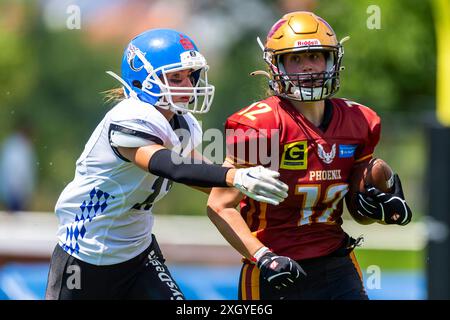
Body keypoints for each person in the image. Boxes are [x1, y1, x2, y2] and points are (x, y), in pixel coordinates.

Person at [45, 28, 289, 300]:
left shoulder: (182, 123)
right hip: (83, 256)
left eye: (190, 76)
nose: (187, 86)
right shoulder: (128, 117)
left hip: (138, 256)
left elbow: (203, 175)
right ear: (141, 81)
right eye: (176, 77)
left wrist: (265, 193)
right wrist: (236, 177)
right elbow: (169, 165)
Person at [207, 11, 412, 300]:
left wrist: (381, 207)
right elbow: (219, 206)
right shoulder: (259, 125)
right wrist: (263, 257)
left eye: (315, 56)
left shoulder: (360, 121)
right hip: (277, 269)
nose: (308, 67)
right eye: (295, 59)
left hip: (336, 264)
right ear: (276, 66)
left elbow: (357, 208)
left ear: (332, 60)